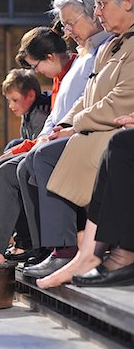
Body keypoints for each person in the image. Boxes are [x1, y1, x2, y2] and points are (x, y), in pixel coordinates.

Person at [0, 0, 110, 265]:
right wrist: (42, 138)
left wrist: (53, 135)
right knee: (15, 163)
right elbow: (66, 110)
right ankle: (19, 246)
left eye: (71, 23)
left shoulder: (99, 53)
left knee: (27, 163)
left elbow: (89, 104)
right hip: (69, 132)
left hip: (88, 135)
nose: (66, 30)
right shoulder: (85, 55)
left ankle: (46, 247)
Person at [24, 0, 134, 279]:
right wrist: (67, 123)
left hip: (110, 129)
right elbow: (87, 95)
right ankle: (61, 249)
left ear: (127, 1)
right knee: (37, 158)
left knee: (45, 157)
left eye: (101, 4)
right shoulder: (112, 45)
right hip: (97, 127)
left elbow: (123, 100)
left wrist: (77, 125)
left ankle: (67, 250)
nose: (97, 13)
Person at [36, 114, 134, 288]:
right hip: (91, 125)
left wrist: (74, 127)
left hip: (99, 125)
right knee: (114, 148)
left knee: (121, 143)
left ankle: (119, 255)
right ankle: (87, 255)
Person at [1, 68, 51, 153]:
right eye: (9, 101)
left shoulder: (40, 114)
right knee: (14, 144)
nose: (11, 105)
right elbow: (24, 139)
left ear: (31, 95)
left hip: (41, 152)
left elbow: (38, 146)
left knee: (13, 146)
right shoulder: (26, 111)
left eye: (15, 100)